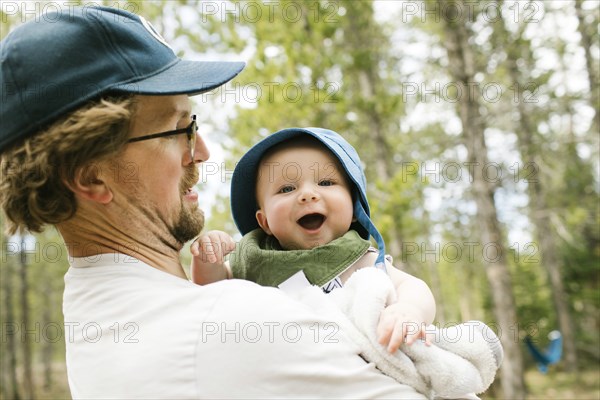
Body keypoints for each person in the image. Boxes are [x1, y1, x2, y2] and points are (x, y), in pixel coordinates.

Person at [0, 5, 431, 399]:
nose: (202, 150)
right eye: (177, 128)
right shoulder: (234, 325)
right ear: (91, 175)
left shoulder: (91, 307)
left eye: (195, 123)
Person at [192, 128, 436, 353]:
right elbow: (212, 288)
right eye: (286, 189)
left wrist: (408, 311)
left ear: (354, 209)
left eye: (326, 183)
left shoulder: (359, 260)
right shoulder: (254, 260)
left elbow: (413, 287)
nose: (307, 194)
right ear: (264, 221)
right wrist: (208, 258)